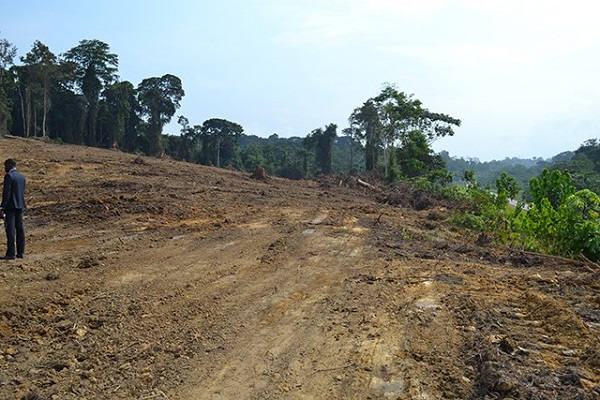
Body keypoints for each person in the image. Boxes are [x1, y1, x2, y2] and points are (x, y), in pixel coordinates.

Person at [0, 159, 26, 260]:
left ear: (10, 165)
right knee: (20, 229)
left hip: (10, 207)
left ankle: (10, 253)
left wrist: (2, 207)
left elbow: (6, 194)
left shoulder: (9, 176)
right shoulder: (21, 176)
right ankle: (20, 252)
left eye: (5, 165)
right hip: (20, 205)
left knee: (10, 230)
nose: (4, 168)